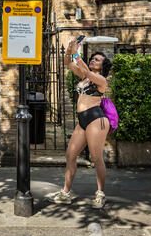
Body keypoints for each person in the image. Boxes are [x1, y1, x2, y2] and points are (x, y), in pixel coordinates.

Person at [48, 39, 112, 209]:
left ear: (103, 66)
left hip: (96, 120)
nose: (93, 60)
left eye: (98, 60)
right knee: (70, 155)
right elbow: (68, 63)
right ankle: (66, 193)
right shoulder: (85, 77)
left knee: (97, 158)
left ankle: (100, 194)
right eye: (92, 58)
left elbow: (86, 70)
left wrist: (77, 53)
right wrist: (69, 50)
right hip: (83, 121)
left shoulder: (100, 80)